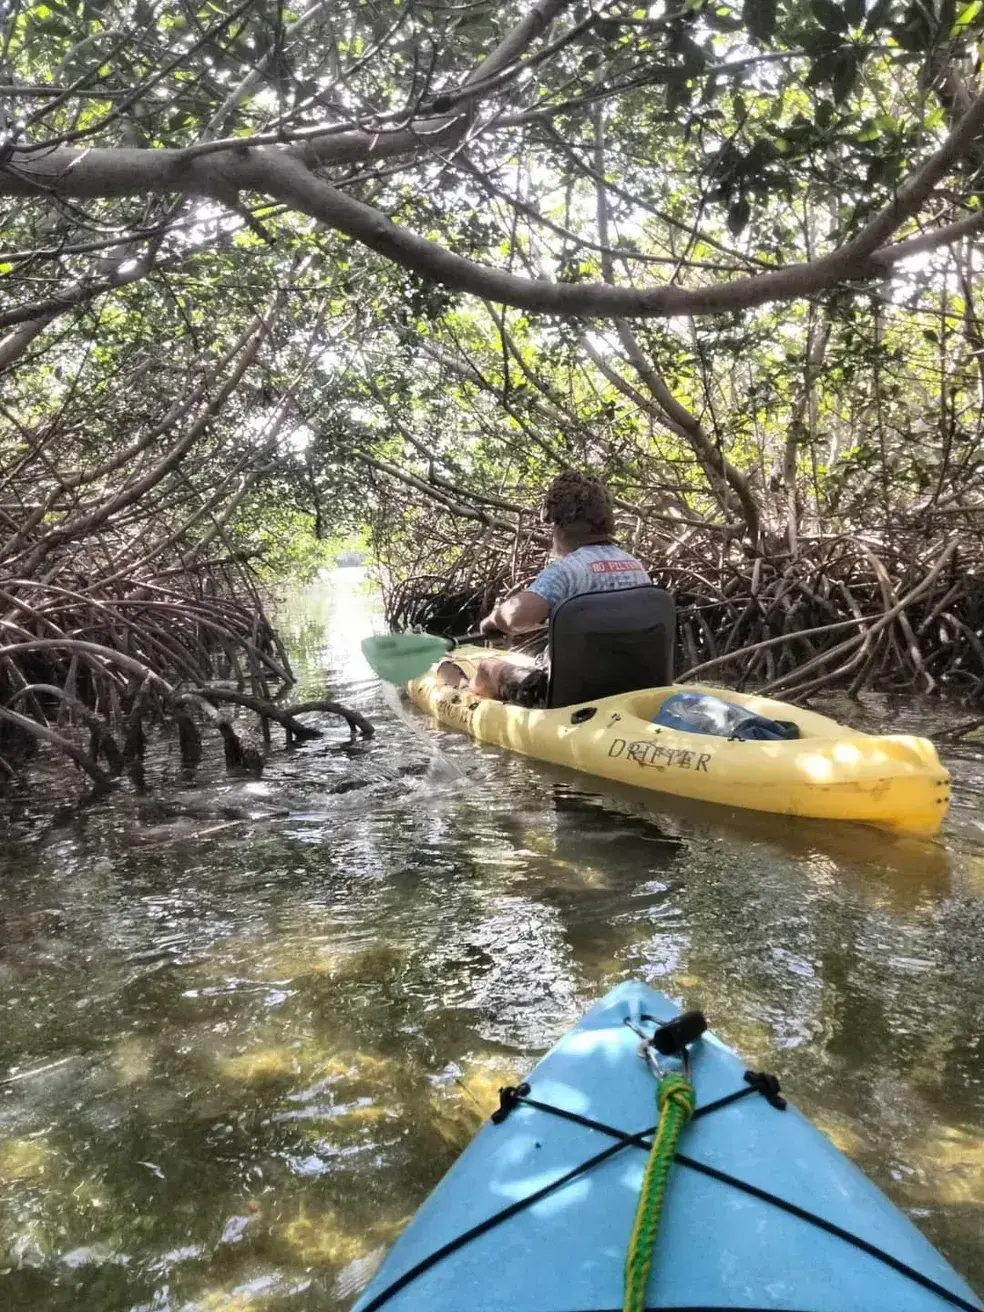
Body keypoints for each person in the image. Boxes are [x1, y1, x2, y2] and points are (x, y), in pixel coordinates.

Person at [438, 470, 651, 704]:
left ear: (557, 524)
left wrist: (492, 622)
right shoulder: (635, 566)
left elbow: (516, 618)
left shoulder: (565, 572)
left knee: (487, 668)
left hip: (570, 694)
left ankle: (463, 690)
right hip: (632, 685)